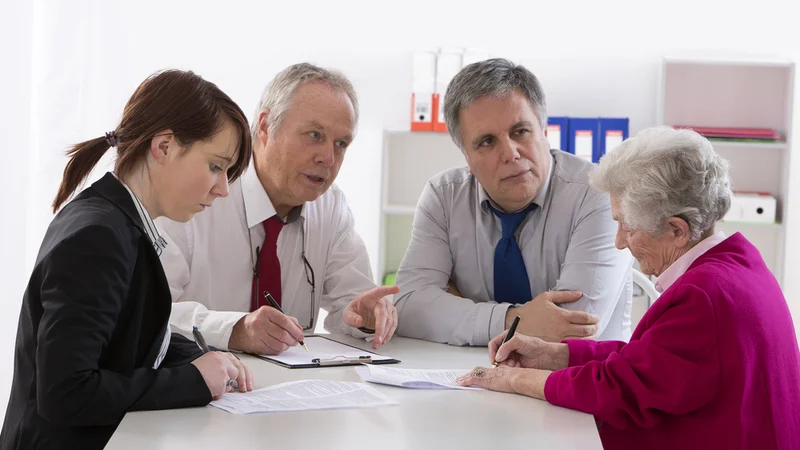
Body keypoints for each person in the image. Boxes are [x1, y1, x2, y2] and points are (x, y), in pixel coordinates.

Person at [458, 127, 800, 450]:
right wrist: (552, 354)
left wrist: (511, 380)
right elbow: (652, 364)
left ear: (677, 230)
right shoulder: (738, 262)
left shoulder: (703, 296)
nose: (620, 243)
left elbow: (619, 389)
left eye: (628, 227)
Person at [0, 69, 255, 450]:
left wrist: (207, 359)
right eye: (216, 166)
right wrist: (194, 381)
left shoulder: (117, 222)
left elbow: (129, 340)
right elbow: (66, 393)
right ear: (164, 146)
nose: (222, 189)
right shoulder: (98, 238)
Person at [157, 63, 398, 356]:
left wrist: (367, 317)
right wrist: (233, 330)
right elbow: (149, 314)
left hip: (289, 391)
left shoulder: (331, 207)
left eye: (341, 143)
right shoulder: (197, 194)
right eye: (314, 135)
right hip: (199, 382)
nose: (328, 158)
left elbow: (353, 303)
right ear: (265, 127)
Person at [394, 58, 633, 346]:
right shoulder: (444, 196)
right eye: (487, 142)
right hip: (466, 375)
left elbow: (574, 326)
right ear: (466, 158)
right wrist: (513, 320)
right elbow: (408, 306)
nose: (510, 153)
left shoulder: (598, 193)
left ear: (544, 131)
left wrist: (456, 311)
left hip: (577, 381)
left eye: (520, 131)